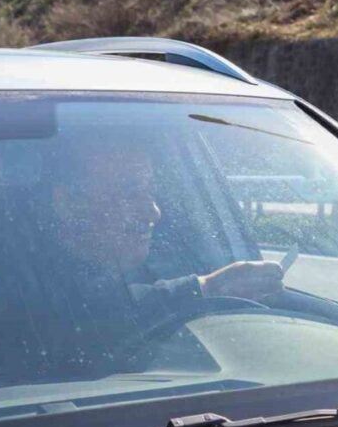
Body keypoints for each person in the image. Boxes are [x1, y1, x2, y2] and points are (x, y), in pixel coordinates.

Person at [41, 135, 284, 375]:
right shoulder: (23, 288)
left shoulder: (170, 262)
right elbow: (81, 322)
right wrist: (205, 288)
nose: (153, 213)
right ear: (68, 203)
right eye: (130, 193)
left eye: (151, 192)